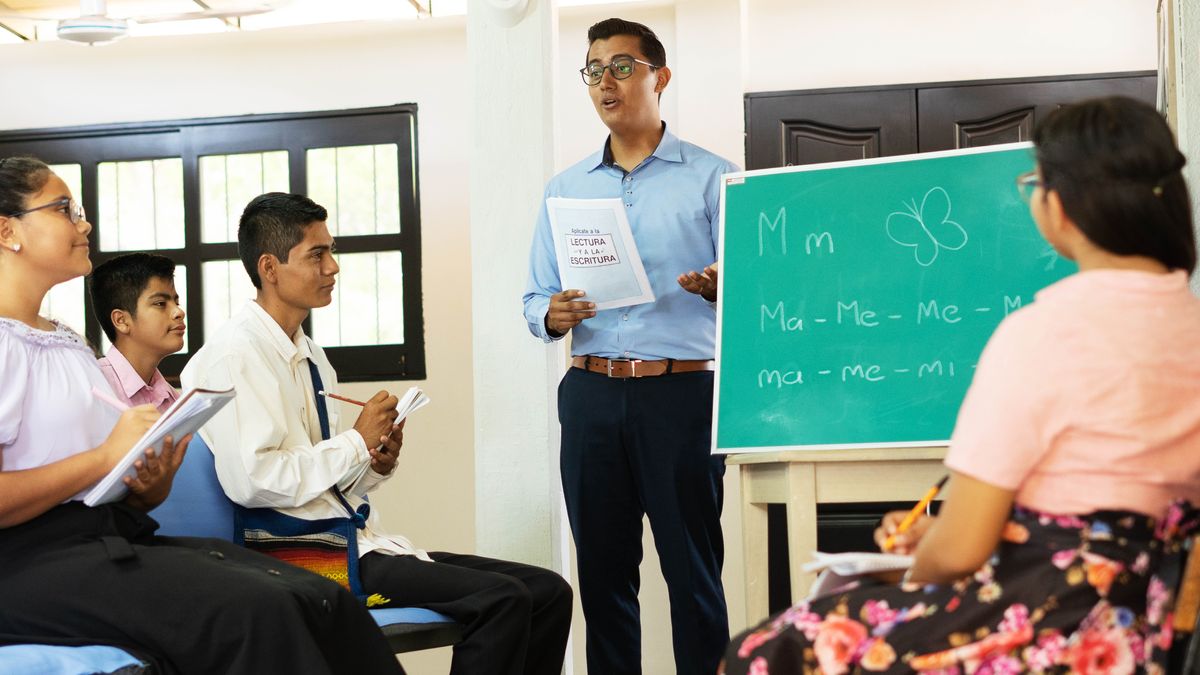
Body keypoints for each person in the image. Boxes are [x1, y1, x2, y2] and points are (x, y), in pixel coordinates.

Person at [723, 96, 1200, 674]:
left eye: (1035, 183)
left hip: (1048, 629)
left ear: (1066, 205)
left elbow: (960, 553)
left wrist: (918, 573)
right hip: (1146, 634)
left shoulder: (1043, 333)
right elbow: (1104, 511)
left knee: (765, 650)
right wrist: (940, 533)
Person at [0, 156, 405, 675]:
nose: (84, 222)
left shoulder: (66, 342)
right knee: (258, 612)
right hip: (26, 564)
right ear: (9, 230)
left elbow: (104, 480)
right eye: (63, 209)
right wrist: (106, 456)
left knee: (319, 595)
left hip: (102, 538)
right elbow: (81, 470)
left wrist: (148, 480)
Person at [182, 191, 573, 675]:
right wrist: (355, 443)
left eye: (332, 251)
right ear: (269, 267)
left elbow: (323, 480)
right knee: (502, 600)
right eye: (317, 254)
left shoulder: (310, 355)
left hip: (353, 535)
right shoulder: (233, 356)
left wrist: (371, 464)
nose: (333, 268)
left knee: (549, 592)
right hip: (304, 552)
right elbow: (254, 480)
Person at [522, 17, 739, 675]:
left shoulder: (713, 178)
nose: (605, 81)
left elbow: (754, 289)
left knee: (692, 574)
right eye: (593, 69)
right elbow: (534, 298)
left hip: (682, 393)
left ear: (659, 76)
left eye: (621, 66)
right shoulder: (565, 188)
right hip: (589, 392)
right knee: (604, 577)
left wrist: (715, 288)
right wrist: (553, 313)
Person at [90, 252, 186, 413]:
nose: (179, 312)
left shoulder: (172, 399)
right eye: (161, 303)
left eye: (176, 302)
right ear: (121, 321)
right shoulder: (93, 387)